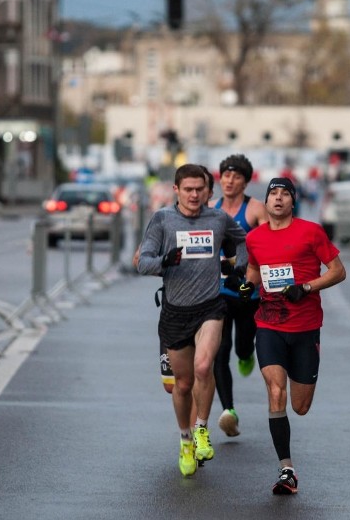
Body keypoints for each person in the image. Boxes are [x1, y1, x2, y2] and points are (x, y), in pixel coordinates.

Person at [136, 164, 248, 478]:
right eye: (188, 189)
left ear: (207, 191)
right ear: (177, 190)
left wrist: (240, 267)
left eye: (200, 189)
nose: (194, 194)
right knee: (182, 385)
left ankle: (201, 429)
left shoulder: (218, 218)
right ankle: (185, 439)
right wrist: (164, 262)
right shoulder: (162, 219)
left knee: (203, 367)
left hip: (210, 307)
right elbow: (142, 263)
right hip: (175, 312)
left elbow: (244, 242)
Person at [238, 177, 346, 495]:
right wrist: (248, 285)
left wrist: (307, 287)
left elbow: (338, 270)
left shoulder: (311, 232)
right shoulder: (255, 237)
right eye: (273, 193)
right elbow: (255, 270)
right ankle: (287, 470)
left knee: (300, 406)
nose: (278, 198)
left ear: (293, 202)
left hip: (305, 328)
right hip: (269, 326)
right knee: (275, 391)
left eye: (285, 194)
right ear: (267, 201)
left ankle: (287, 465)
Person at [211, 154, 268, 437]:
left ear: (245, 181)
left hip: (248, 292)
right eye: (225, 176)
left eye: (236, 177)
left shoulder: (256, 209)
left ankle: (246, 355)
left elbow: (271, 243)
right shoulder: (212, 208)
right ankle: (228, 411)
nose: (229, 181)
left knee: (243, 346)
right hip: (218, 291)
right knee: (219, 351)